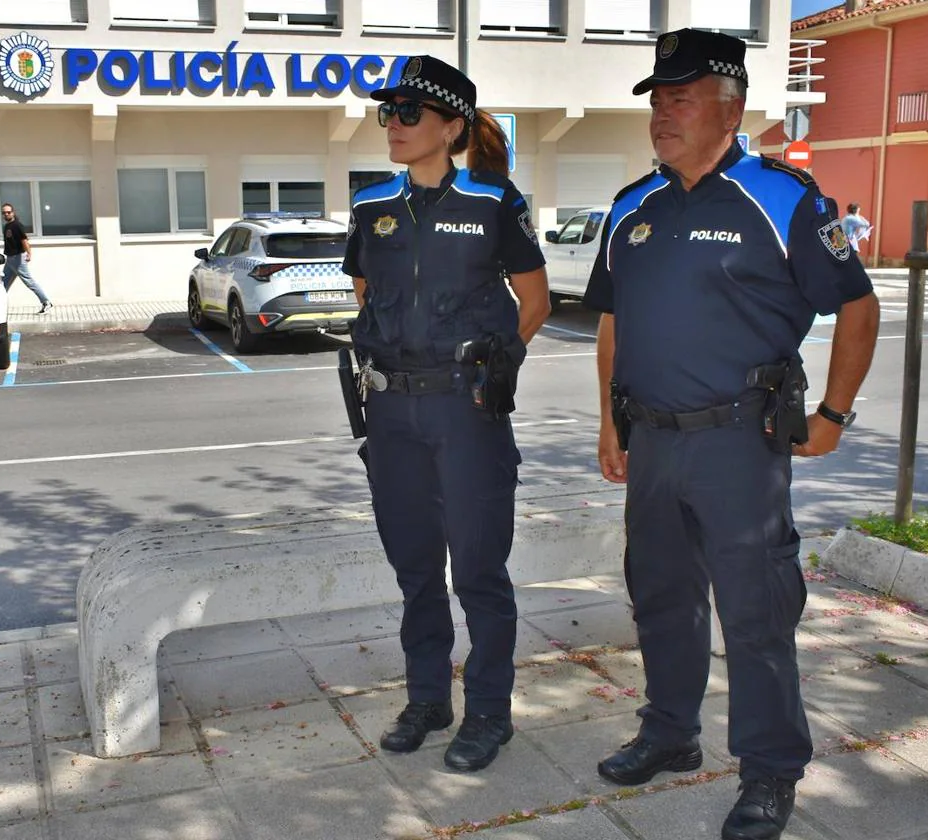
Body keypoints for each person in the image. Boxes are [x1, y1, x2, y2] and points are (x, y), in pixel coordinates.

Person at [583, 29, 880, 840]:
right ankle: (670, 732)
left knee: (757, 611)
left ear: (731, 106)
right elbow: (614, 320)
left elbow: (858, 306)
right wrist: (611, 419)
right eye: (657, 98)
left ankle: (770, 769)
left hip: (740, 446)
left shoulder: (783, 198)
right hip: (652, 441)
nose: (662, 113)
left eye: (681, 97)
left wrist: (834, 417)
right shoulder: (630, 206)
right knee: (661, 599)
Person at [343, 55, 551, 772]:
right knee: (414, 568)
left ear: (451, 126)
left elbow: (536, 301)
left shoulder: (494, 202)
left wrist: (500, 363)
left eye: (409, 114)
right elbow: (368, 291)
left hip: (466, 413)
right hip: (393, 413)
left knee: (479, 572)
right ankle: (428, 697)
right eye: (388, 113)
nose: (393, 126)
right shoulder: (372, 206)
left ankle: (489, 713)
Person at [1, 203, 53, 314]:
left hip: (17, 259)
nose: (6, 214)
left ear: (13, 212)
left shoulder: (17, 225)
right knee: (2, 284)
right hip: (10, 259)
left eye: (8, 212)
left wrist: (29, 253)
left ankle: (46, 302)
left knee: (29, 281)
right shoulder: (6, 226)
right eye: (4, 213)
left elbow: (24, 240)